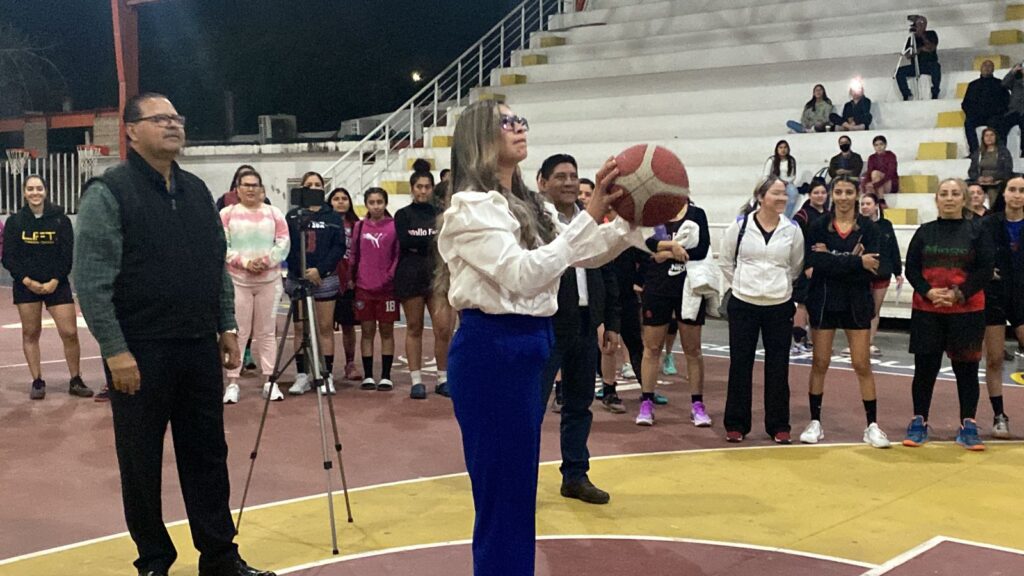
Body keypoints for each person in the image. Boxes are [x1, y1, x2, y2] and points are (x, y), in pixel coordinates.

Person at [435, 100, 640, 576]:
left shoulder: (530, 202)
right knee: (503, 498)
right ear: (480, 138)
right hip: (492, 348)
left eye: (520, 120)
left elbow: (580, 253)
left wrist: (633, 222)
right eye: (506, 122)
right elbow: (523, 274)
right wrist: (587, 217)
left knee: (516, 493)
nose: (518, 127)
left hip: (529, 344)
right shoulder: (471, 207)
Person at [74, 93, 274, 576]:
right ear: (131, 131)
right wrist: (115, 350)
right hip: (139, 351)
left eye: (176, 118)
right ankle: (154, 560)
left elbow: (214, 266)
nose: (172, 125)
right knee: (141, 461)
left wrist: (226, 324)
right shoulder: (109, 192)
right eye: (159, 119)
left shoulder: (197, 191)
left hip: (197, 345)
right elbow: (92, 280)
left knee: (207, 453)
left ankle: (220, 557)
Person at [537, 153, 621, 505]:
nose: (570, 182)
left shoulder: (592, 222)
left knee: (580, 404)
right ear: (542, 182)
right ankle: (519, 478)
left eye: (573, 175)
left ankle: (575, 475)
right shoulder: (536, 223)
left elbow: (605, 271)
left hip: (586, 323)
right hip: (548, 323)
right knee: (533, 406)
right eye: (560, 176)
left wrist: (610, 322)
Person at [902, 178, 994, 451]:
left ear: (965, 199)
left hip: (967, 312)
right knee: (925, 370)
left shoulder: (977, 232)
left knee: (966, 370)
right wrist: (928, 292)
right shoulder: (924, 232)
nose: (950, 198)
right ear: (937, 200)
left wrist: (958, 293)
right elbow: (912, 270)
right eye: (944, 194)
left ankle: (968, 424)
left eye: (955, 194)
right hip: (927, 311)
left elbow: (984, 270)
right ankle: (919, 421)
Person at [799, 176, 890, 448]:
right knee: (820, 362)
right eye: (838, 191)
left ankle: (872, 425)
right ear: (831, 195)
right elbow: (816, 262)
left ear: (856, 194)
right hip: (825, 300)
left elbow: (873, 266)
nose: (843, 196)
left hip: (856, 300)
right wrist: (854, 261)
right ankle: (815, 422)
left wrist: (833, 260)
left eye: (848, 191)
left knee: (862, 363)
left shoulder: (870, 229)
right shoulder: (817, 227)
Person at [719, 177, 804, 443]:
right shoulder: (740, 226)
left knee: (778, 367)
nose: (782, 199)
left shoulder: (792, 230)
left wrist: (777, 288)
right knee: (740, 366)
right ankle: (736, 424)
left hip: (779, 306)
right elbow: (725, 261)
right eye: (776, 194)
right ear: (761, 196)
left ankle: (779, 425)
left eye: (785, 195)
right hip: (743, 304)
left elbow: (795, 266)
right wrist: (744, 286)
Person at [2, 174, 92, 400]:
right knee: (31, 333)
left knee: (70, 333)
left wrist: (54, 280)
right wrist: (27, 280)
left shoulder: (61, 220)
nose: (35, 193)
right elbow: (9, 257)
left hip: (57, 285)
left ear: (46, 191)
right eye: (30, 189)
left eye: (39, 188)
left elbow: (66, 256)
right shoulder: (15, 222)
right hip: (26, 286)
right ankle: (38, 381)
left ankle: (76, 379)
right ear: (24, 192)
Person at [637, 197, 712, 428]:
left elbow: (701, 249)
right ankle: (647, 401)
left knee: (693, 349)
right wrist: (673, 248)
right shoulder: (654, 215)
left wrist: (665, 253)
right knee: (652, 347)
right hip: (657, 288)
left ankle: (697, 405)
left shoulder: (696, 214)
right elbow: (645, 247)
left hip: (688, 289)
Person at [220, 169, 289, 404]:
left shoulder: (274, 213)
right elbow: (223, 246)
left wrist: (266, 261)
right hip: (238, 281)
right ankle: (232, 383)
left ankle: (270, 381)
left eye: (255, 185)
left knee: (267, 332)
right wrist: (246, 262)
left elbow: (283, 242)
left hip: (269, 281)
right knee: (238, 332)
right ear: (237, 190)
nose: (251, 189)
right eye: (245, 185)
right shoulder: (227, 214)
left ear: (262, 189)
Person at [283, 171, 344, 395]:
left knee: (325, 328)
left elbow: (339, 247)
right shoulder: (292, 216)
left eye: (318, 184)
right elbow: (286, 245)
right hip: (299, 279)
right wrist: (301, 271)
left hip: (324, 279)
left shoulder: (333, 217)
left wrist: (321, 270)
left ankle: (325, 374)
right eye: (309, 185)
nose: (314, 187)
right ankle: (302, 375)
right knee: (300, 328)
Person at [395, 171, 453, 398]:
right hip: (410, 274)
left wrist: (421, 240)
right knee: (414, 327)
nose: (422, 191)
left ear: (432, 188)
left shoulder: (441, 213)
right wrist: (429, 239)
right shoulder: (402, 214)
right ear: (412, 188)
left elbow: (444, 241)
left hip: (437, 274)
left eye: (427, 186)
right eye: (418, 186)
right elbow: (406, 240)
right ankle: (416, 380)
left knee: (442, 328)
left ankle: (442, 377)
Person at [979, 176, 1024, 439]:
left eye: (1022, 191)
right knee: (994, 358)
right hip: (994, 295)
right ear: (1004, 193)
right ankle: (999, 415)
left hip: (1022, 295)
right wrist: (986, 272)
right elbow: (973, 255)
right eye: (1013, 190)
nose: (1017, 195)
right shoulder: (987, 224)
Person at [351, 187, 400, 391]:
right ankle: (369, 375)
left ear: (385, 203)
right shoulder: (359, 227)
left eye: (380, 202)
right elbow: (353, 254)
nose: (376, 206)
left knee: (387, 331)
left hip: (387, 289)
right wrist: (353, 279)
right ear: (366, 204)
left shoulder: (394, 226)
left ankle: (386, 375)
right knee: (367, 331)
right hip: (364, 287)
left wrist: (390, 276)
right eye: (372, 202)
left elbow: (398, 255)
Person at [859, 192, 903, 357]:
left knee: (875, 310)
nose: (865, 207)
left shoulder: (886, 225)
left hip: (882, 273)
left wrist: (898, 271)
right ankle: (858, 342)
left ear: (876, 205)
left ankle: (869, 342)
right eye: (862, 204)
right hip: (862, 273)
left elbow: (893, 248)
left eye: (868, 203)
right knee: (862, 308)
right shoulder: (858, 225)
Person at [327, 187, 362, 381]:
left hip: (350, 281)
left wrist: (354, 277)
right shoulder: (325, 224)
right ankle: (326, 366)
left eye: (344, 198)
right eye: (336, 198)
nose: (340, 202)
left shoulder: (356, 225)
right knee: (325, 327)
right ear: (329, 202)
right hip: (329, 278)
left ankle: (350, 363)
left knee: (348, 325)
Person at [791, 178, 829, 353]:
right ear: (809, 195)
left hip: (825, 266)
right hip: (807, 265)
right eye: (816, 192)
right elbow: (797, 243)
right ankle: (798, 340)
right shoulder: (802, 216)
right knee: (803, 303)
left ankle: (816, 343)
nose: (820, 196)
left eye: (823, 192)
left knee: (820, 303)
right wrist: (806, 266)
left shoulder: (830, 214)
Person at [962, 60, 1009, 155]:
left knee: (997, 123)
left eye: (989, 66)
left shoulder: (1000, 84)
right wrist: (971, 113)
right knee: (968, 123)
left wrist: (999, 112)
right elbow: (966, 103)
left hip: (994, 115)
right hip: (977, 115)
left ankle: (995, 152)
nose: (987, 68)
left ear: (993, 69)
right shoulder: (973, 85)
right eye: (985, 65)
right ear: (980, 68)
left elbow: (1006, 102)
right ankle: (974, 152)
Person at [896, 16, 941, 101]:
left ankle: (935, 92)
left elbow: (931, 47)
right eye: (919, 24)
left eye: (923, 23)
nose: (921, 26)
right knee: (899, 71)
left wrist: (922, 37)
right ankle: (906, 94)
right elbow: (908, 55)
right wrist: (917, 50)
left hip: (930, 64)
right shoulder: (911, 39)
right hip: (916, 66)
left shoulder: (931, 34)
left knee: (936, 67)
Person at [968, 127, 1013, 207]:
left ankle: (992, 212)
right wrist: (979, 178)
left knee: (992, 192)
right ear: (983, 138)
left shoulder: (1003, 152)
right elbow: (971, 171)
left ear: (996, 137)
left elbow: (1007, 170)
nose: (989, 138)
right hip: (981, 182)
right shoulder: (978, 153)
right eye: (986, 135)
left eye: (991, 135)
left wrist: (993, 178)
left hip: (997, 182)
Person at [763, 139, 799, 217]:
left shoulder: (791, 160)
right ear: (777, 149)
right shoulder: (771, 160)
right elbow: (766, 176)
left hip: (787, 184)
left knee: (793, 193)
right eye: (781, 147)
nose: (783, 150)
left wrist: (785, 182)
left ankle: (785, 217)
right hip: (773, 183)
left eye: (785, 147)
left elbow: (793, 176)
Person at [862, 135, 899, 202]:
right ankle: (877, 205)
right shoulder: (871, 157)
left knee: (875, 173)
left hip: (890, 183)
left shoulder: (891, 155)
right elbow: (869, 173)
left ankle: (881, 200)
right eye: (876, 145)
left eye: (881, 144)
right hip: (877, 183)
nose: (879, 147)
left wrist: (876, 184)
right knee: (869, 184)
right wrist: (866, 184)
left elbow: (890, 174)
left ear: (885, 145)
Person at [1000, 63, 1024, 157]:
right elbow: (1004, 84)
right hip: (1014, 111)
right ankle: (1001, 151)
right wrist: (1012, 72)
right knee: (1001, 125)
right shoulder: (1016, 80)